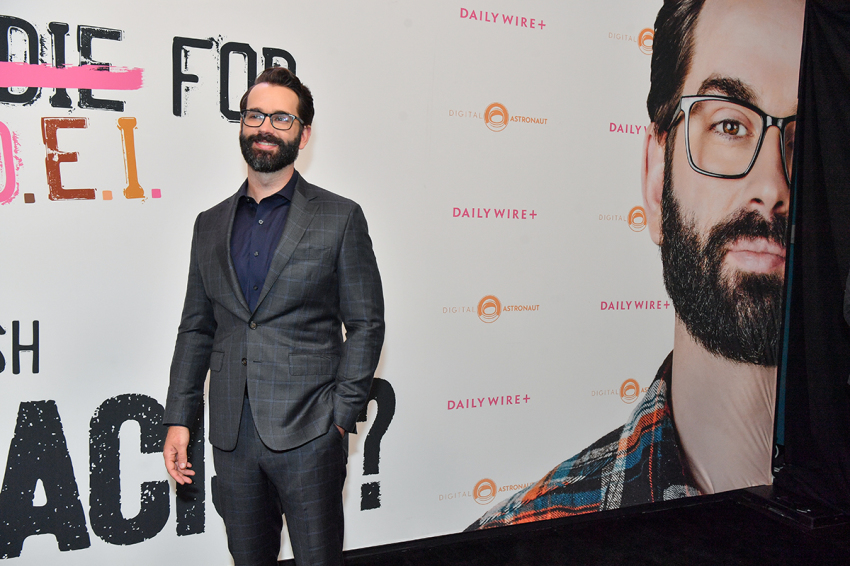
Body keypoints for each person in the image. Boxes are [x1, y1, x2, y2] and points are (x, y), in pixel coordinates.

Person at [469, 0, 803, 529]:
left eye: (812, 139)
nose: (771, 186)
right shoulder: (519, 545)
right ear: (654, 178)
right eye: (728, 125)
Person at [161, 67, 385, 565]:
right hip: (231, 438)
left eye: (282, 118)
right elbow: (196, 328)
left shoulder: (339, 217)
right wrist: (179, 418)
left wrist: (340, 418)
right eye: (255, 115)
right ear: (242, 125)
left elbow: (366, 324)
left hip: (310, 432)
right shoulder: (209, 224)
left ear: (303, 135)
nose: (265, 127)